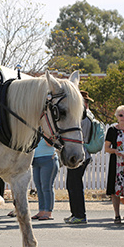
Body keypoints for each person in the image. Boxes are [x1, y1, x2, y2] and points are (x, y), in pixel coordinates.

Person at [65, 91, 95, 224]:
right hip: (81, 154)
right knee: (71, 184)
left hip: (79, 154)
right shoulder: (86, 116)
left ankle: (80, 214)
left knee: (75, 185)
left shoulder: (83, 118)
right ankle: (75, 213)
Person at [31, 138, 59, 220]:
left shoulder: (49, 131)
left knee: (46, 187)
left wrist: (45, 134)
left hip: (49, 159)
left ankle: (48, 212)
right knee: (39, 187)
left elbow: (50, 144)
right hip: (35, 160)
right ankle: (41, 211)